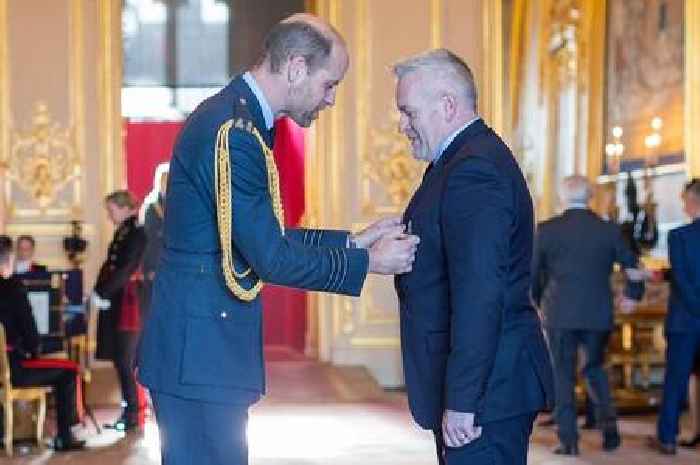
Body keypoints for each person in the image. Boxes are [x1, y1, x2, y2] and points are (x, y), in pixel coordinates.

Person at [137, 13, 418, 465]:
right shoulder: (234, 130)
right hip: (201, 354)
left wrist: (354, 243)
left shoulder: (241, 120)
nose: (330, 100)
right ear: (296, 68)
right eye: (330, 84)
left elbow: (261, 237)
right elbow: (269, 256)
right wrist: (370, 264)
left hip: (204, 349)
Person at [392, 49, 554, 465]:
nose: (402, 125)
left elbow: (481, 292)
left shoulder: (473, 169)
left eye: (408, 112)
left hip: (486, 394)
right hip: (487, 384)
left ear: (447, 105)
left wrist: (464, 400)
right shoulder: (458, 162)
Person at [532, 175, 645, 456]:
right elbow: (633, 266)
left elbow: (532, 276)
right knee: (595, 371)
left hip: (559, 312)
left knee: (563, 375)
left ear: (562, 198)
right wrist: (632, 294)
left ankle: (569, 441)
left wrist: (534, 303)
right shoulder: (608, 230)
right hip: (598, 313)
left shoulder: (547, 230)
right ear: (590, 197)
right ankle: (610, 433)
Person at [0, 235, 84, 451]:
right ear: (9, 259)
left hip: (3, 366)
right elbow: (30, 333)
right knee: (69, 371)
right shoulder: (13, 287)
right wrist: (36, 351)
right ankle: (65, 437)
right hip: (14, 368)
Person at [648, 178, 700, 455]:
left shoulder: (679, 236)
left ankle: (667, 437)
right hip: (690, 317)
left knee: (676, 380)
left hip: (685, 321)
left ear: (692, 202)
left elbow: (683, 279)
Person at [93, 190, 147, 432]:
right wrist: (98, 290)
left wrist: (103, 293)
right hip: (119, 300)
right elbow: (110, 265)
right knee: (120, 359)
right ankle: (130, 411)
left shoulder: (136, 232)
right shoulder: (125, 231)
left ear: (124, 207)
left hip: (128, 303)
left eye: (111, 209)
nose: (108, 214)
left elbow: (125, 269)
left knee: (125, 360)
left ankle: (134, 414)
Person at [140, 162, 169, 318]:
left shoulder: (179, 205)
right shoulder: (152, 207)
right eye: (164, 180)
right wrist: (150, 268)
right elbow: (149, 240)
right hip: (155, 264)